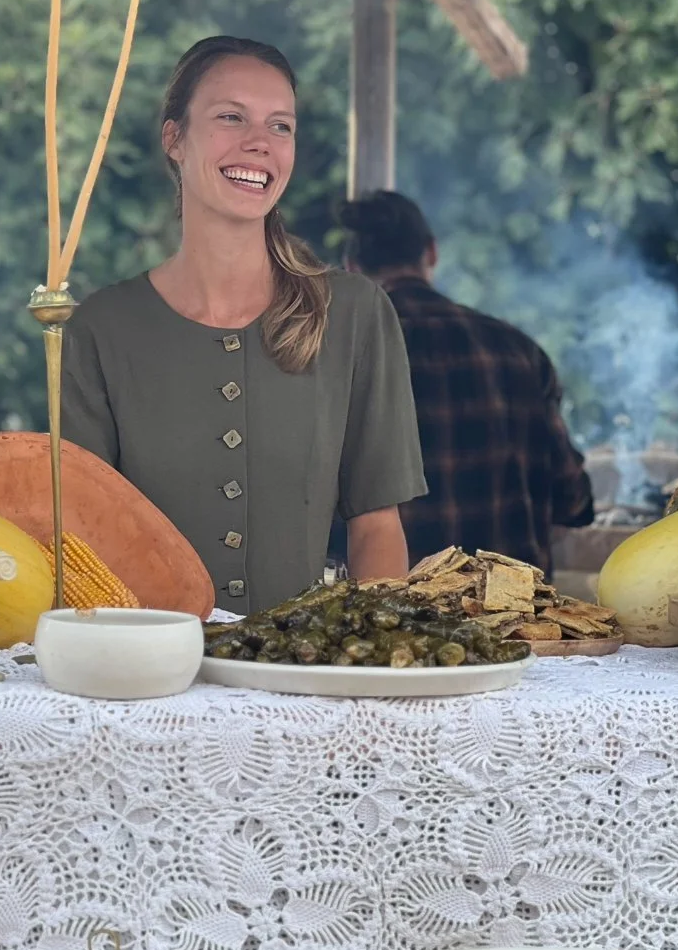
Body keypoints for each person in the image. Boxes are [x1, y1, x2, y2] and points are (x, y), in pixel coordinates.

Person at [61, 36, 427, 615]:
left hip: (305, 664)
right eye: (231, 117)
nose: (260, 143)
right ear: (174, 139)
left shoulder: (355, 313)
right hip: (149, 664)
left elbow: (377, 528)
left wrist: (372, 659)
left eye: (281, 126)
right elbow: (82, 541)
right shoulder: (100, 330)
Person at [338, 189, 594, 578]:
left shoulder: (340, 355)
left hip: (391, 606)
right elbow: (573, 501)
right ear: (431, 252)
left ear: (351, 267)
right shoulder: (518, 350)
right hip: (511, 606)